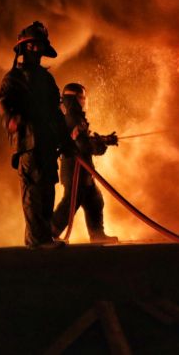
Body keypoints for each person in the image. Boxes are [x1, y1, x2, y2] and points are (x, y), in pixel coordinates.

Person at [0, 21, 74, 250]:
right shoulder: (13, 79)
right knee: (33, 191)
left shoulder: (47, 80)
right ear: (23, 49)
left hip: (48, 145)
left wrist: (67, 142)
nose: (36, 51)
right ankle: (36, 240)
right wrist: (10, 119)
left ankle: (45, 237)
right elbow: (3, 103)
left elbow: (56, 115)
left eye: (39, 47)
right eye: (32, 47)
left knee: (48, 187)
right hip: (28, 144)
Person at [51, 83, 119, 244]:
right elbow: (83, 145)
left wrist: (103, 139)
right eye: (81, 97)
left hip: (83, 171)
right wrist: (101, 144)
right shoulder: (73, 117)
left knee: (95, 200)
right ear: (74, 99)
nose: (83, 101)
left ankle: (97, 235)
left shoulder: (72, 115)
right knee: (70, 204)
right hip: (76, 170)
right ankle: (50, 233)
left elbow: (82, 140)